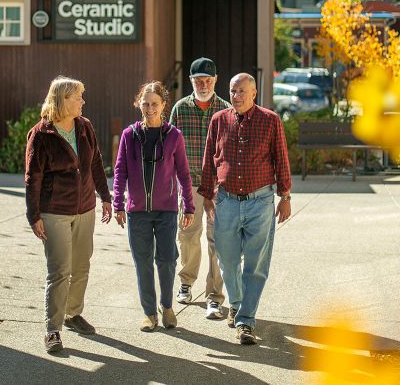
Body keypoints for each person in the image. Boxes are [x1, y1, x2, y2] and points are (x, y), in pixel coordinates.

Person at [198, 73, 292, 346]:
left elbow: (281, 158)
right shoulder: (219, 120)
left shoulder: (270, 120)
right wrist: (207, 194)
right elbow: (210, 158)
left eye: (241, 91)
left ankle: (246, 321)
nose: (236, 96)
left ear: (253, 93)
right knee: (226, 261)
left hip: (260, 201)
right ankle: (237, 304)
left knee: (256, 264)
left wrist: (285, 195)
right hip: (226, 201)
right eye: (232, 91)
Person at [25, 76, 113, 354]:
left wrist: (105, 196)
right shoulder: (41, 134)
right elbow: (33, 178)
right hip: (55, 212)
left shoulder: (84, 126)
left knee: (82, 265)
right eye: (78, 97)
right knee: (60, 271)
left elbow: (96, 162)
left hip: (85, 207)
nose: (82, 101)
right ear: (63, 99)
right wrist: (33, 215)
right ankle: (52, 329)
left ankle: (73, 314)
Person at [113, 81, 195, 332]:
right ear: (139, 104)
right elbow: (120, 171)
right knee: (143, 262)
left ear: (163, 105)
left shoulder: (174, 136)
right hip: (137, 211)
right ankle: (149, 312)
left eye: (155, 104)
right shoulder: (129, 135)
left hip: (166, 210)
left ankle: (167, 307)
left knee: (167, 260)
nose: (150, 109)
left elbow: (183, 173)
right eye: (145, 104)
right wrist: (118, 203)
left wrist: (189, 206)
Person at [169, 57, 231, 319]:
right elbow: (169, 147)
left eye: (208, 80)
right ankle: (186, 281)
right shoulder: (180, 109)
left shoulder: (227, 109)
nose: (203, 85)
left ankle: (214, 297)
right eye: (198, 81)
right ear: (191, 81)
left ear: (215, 81)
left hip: (218, 187)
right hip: (189, 184)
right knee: (187, 235)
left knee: (218, 240)